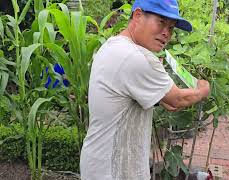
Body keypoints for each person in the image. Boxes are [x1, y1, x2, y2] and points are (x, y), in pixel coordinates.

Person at [80, 0, 210, 180]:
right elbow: (176, 101)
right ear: (138, 15)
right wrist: (203, 89)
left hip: (98, 164)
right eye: (161, 22)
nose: (166, 33)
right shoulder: (137, 57)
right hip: (116, 171)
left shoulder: (112, 45)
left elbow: (165, 101)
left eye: (171, 28)